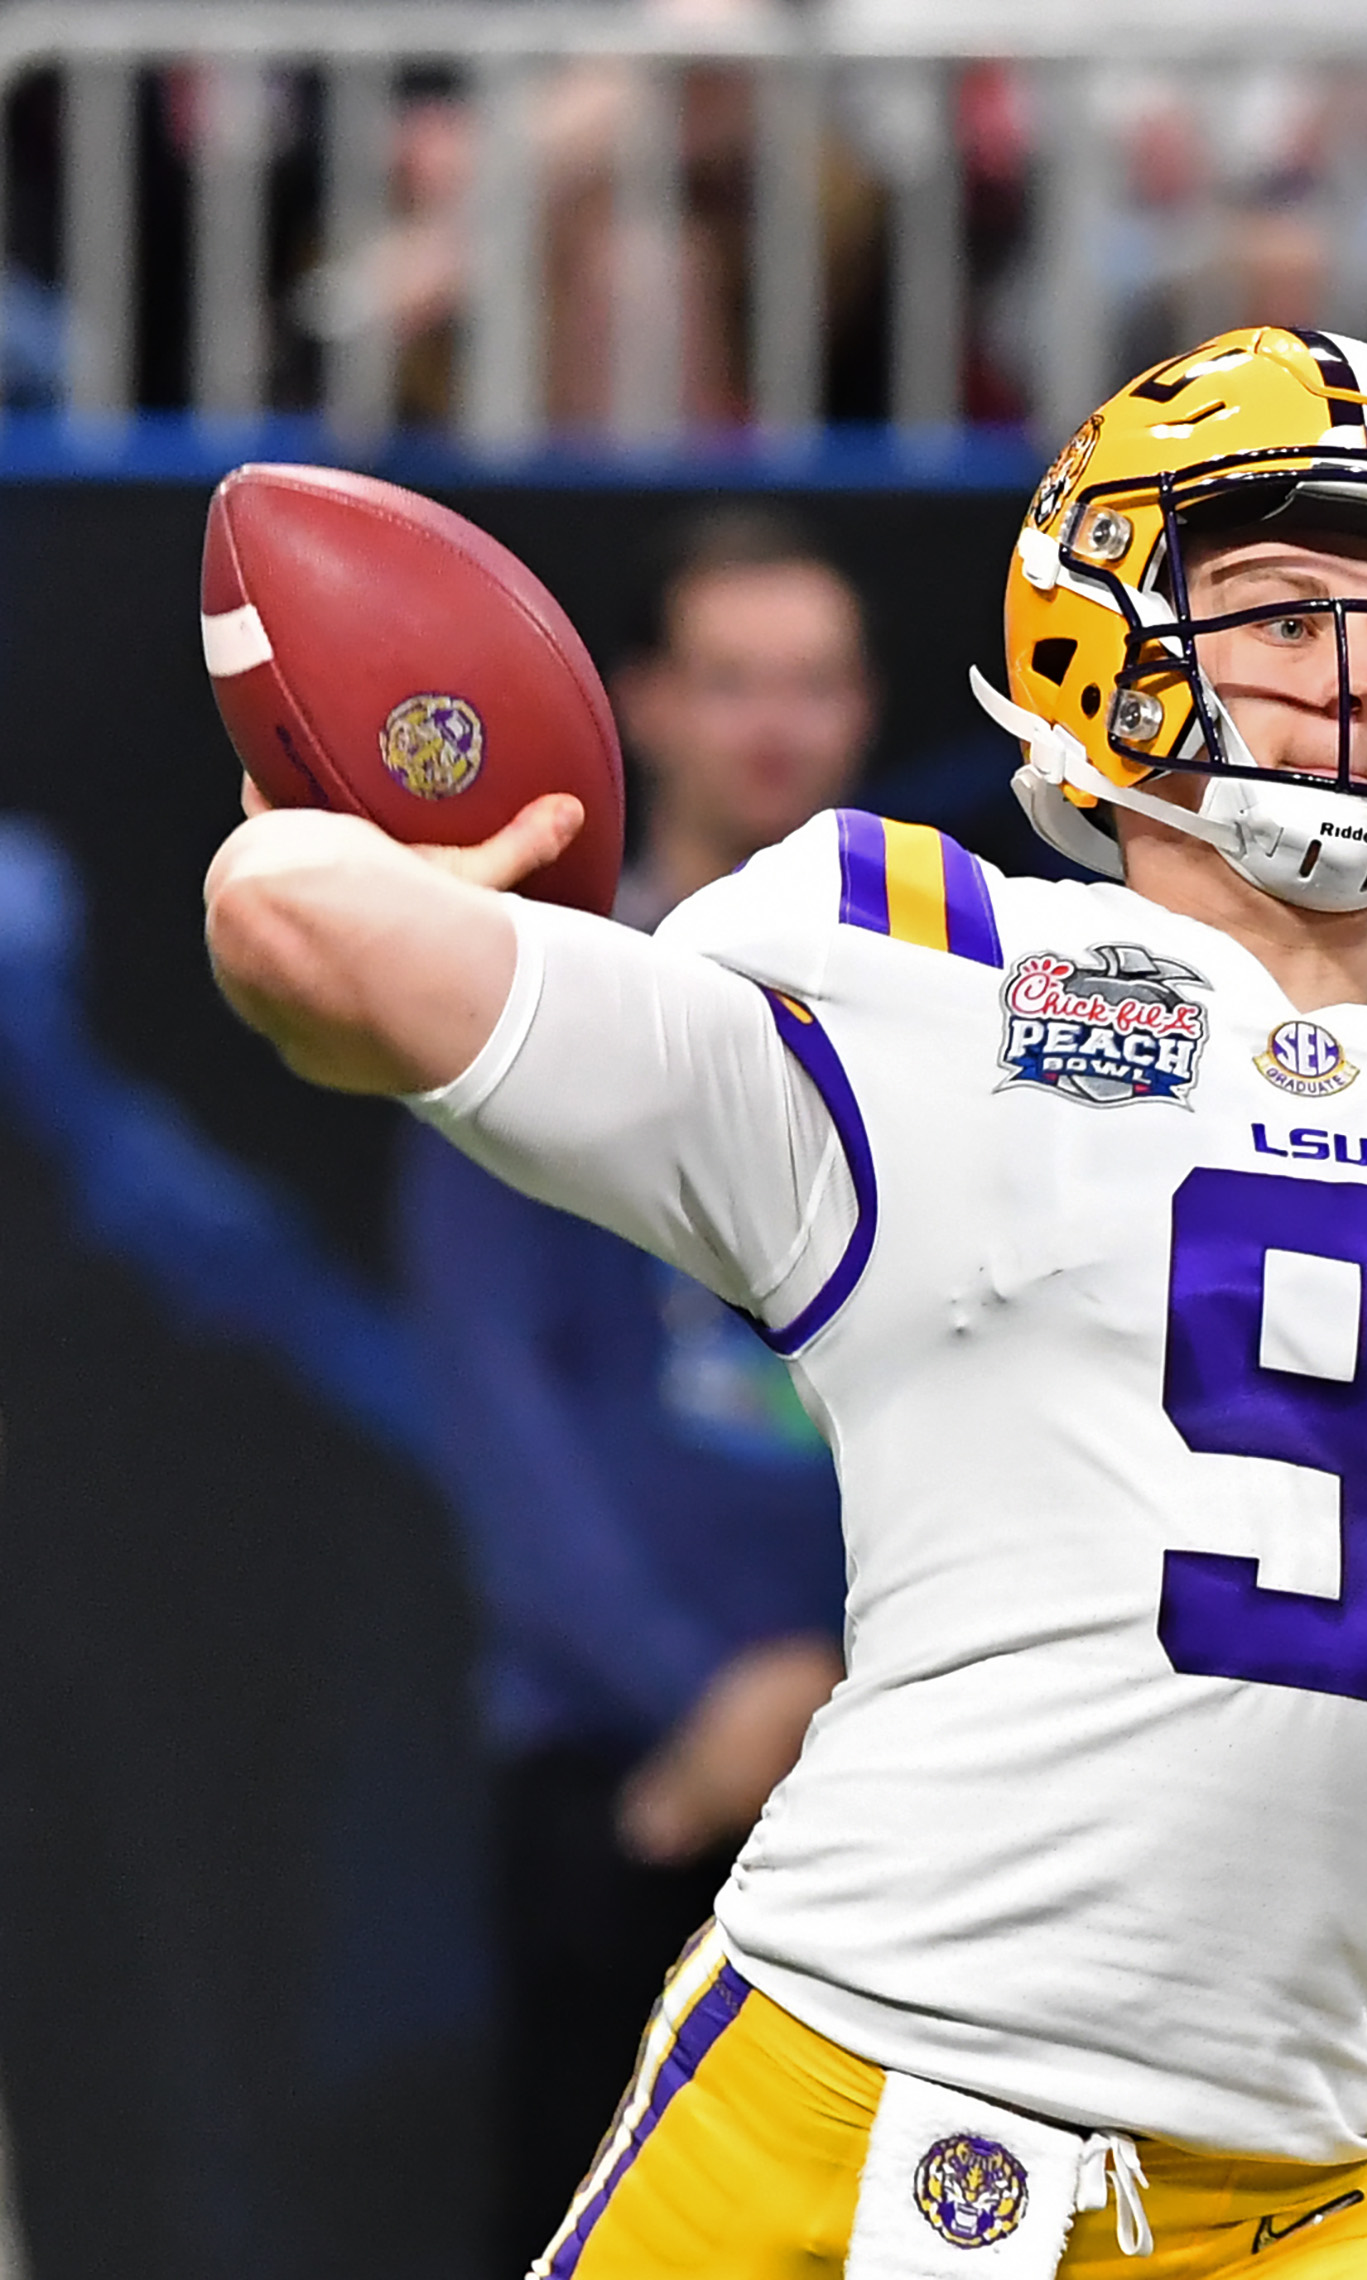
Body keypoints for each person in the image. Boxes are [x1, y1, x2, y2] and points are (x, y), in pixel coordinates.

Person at [205, 325, 1367, 2278]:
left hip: (1303, 2204)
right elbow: (296, 935)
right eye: (1287, 611)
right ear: (1090, 634)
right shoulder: (912, 968)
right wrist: (421, 864)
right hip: (847, 2111)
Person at [395, 508, 875, 2267]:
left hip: (898, 1783)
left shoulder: (945, 1022)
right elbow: (499, 1410)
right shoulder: (535, 991)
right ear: (647, 705)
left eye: (815, 685)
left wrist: (848, 1701)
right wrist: (710, 1703)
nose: (775, 727)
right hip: (624, 1778)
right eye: (734, 682)